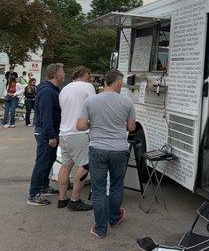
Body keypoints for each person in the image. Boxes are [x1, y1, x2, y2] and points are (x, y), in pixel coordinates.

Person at [76, 69, 136, 238]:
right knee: (117, 185)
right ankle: (115, 218)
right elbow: (131, 128)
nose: (122, 85)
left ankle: (100, 228)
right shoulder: (127, 102)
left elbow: (80, 125)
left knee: (99, 188)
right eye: (121, 83)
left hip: (98, 149)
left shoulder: (90, 100)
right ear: (117, 83)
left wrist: (92, 124)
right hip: (119, 150)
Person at [57, 66, 95, 211]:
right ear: (85, 74)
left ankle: (62, 199)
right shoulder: (87, 86)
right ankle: (75, 200)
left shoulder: (64, 89)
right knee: (86, 165)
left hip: (64, 132)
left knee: (66, 165)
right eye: (89, 75)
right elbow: (93, 106)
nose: (90, 78)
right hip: (78, 133)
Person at [27, 63, 65, 206]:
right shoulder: (47, 92)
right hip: (45, 132)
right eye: (62, 72)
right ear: (55, 74)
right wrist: (51, 135)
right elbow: (46, 116)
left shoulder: (51, 90)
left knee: (49, 159)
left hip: (50, 131)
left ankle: (43, 186)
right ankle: (33, 194)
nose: (63, 74)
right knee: (42, 162)